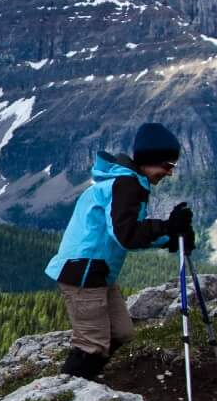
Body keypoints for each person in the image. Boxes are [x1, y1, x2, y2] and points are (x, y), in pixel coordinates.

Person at [44, 123, 194, 379]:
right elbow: (126, 235)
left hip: (96, 272)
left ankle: (89, 379)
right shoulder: (125, 184)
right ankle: (67, 395)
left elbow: (126, 231)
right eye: (167, 166)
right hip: (84, 272)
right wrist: (167, 226)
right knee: (91, 345)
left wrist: (171, 236)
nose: (169, 173)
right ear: (151, 160)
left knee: (121, 333)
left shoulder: (127, 182)